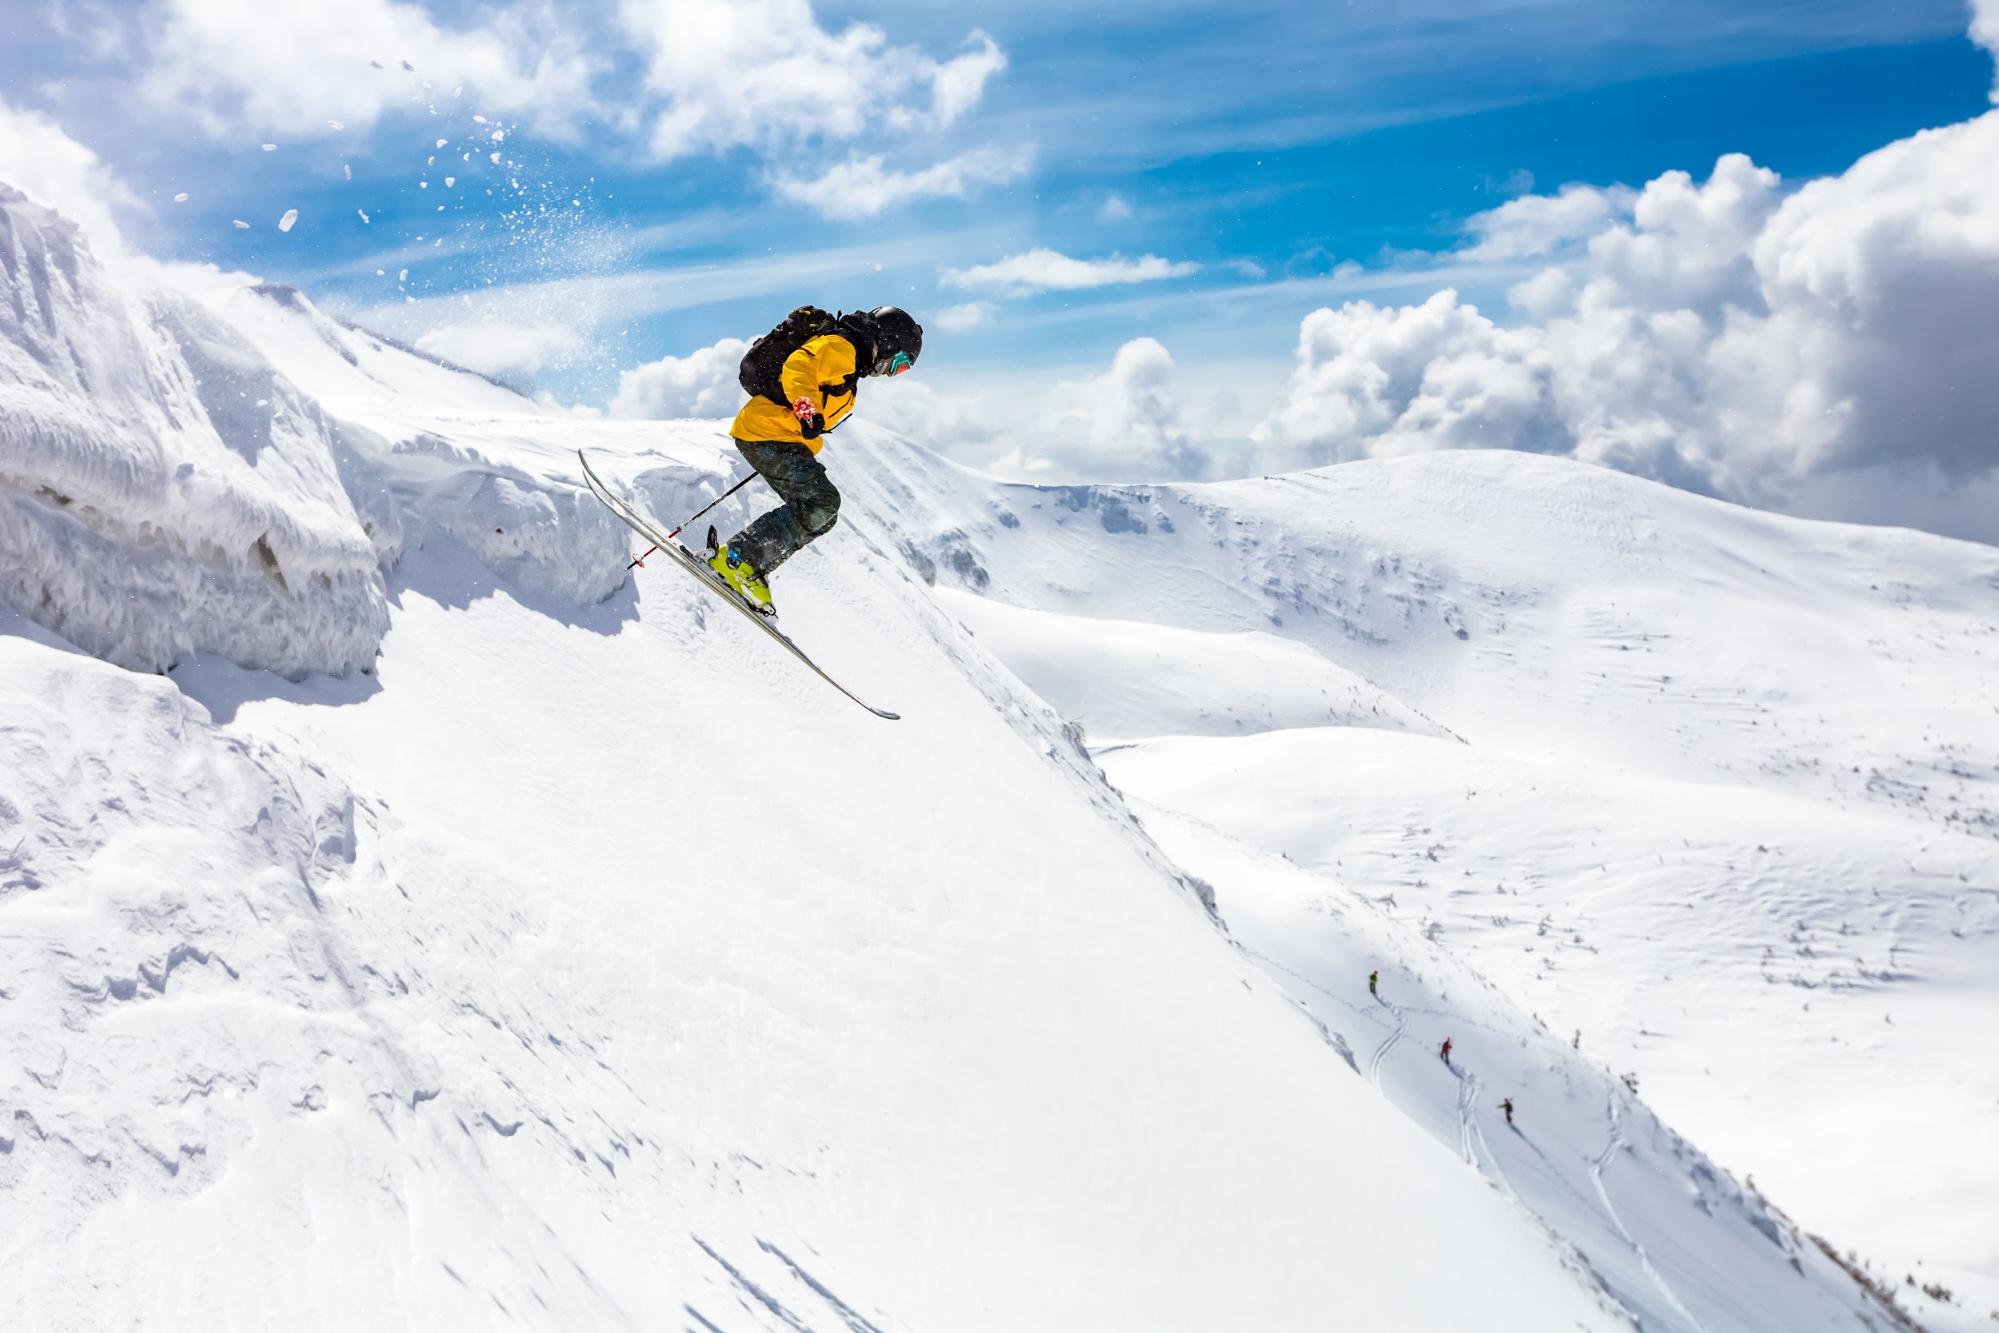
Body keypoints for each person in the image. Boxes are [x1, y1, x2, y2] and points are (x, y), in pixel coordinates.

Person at [707, 306, 925, 612]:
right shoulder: (842, 347)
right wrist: (807, 409)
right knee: (820, 503)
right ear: (888, 343)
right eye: (898, 364)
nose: (889, 373)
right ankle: (738, 560)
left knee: (823, 512)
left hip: (775, 436)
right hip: (766, 434)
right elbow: (798, 366)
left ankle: (746, 566)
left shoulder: (850, 366)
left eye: (899, 371)